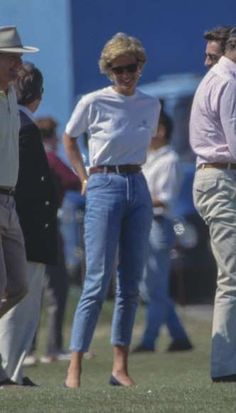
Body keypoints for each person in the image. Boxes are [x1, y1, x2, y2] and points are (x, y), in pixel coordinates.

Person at [63, 32, 161, 388]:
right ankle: (74, 366)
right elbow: (70, 137)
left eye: (130, 67)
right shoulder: (93, 101)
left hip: (138, 183)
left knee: (131, 282)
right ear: (108, 70)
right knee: (97, 279)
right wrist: (83, 177)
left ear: (140, 66)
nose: (125, 74)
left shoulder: (151, 104)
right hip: (103, 184)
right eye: (117, 69)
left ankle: (120, 367)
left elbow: (143, 144)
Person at [0, 62, 58, 386]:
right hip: (26, 228)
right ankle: (11, 370)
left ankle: (13, 370)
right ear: (37, 95)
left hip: (21, 224)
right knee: (20, 306)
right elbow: (28, 186)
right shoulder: (25, 127)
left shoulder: (16, 121)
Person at [190, 27, 236, 382]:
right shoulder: (229, 82)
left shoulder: (216, 77)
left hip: (216, 177)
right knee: (232, 277)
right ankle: (224, 368)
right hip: (221, 178)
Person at [132, 110, 193, 353]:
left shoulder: (170, 160)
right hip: (144, 222)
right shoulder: (146, 158)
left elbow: (164, 199)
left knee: (154, 285)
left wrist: (135, 198)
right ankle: (179, 336)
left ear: (161, 131)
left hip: (157, 224)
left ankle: (149, 339)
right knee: (150, 286)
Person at [24, 116, 81, 365]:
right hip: (48, 226)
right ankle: (53, 347)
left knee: (30, 289)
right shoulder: (51, 158)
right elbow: (73, 181)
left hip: (26, 227)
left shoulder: (25, 155)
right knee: (57, 288)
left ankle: (27, 348)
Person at [0, 26, 39, 387]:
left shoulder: (11, 94)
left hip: (8, 200)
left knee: (19, 286)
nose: (19, 65)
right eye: (13, 58)